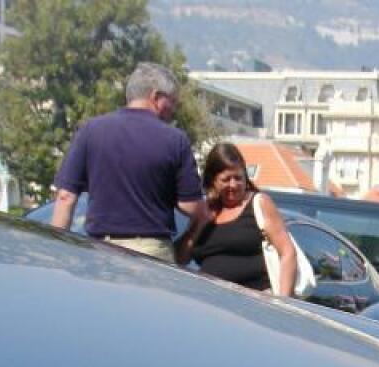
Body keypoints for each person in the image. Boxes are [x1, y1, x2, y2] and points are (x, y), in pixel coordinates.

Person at [50, 62, 207, 263]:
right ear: (156, 97)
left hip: (99, 251)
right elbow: (190, 205)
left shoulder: (91, 130)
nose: (173, 110)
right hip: (151, 251)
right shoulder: (174, 139)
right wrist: (205, 213)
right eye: (173, 102)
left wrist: (55, 250)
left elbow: (65, 197)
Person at [175, 142, 296, 296]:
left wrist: (282, 303)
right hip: (208, 301)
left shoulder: (259, 203)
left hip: (254, 302)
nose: (233, 185)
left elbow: (287, 252)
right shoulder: (204, 210)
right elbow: (180, 259)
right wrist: (199, 224)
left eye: (238, 178)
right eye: (226, 179)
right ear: (213, 180)